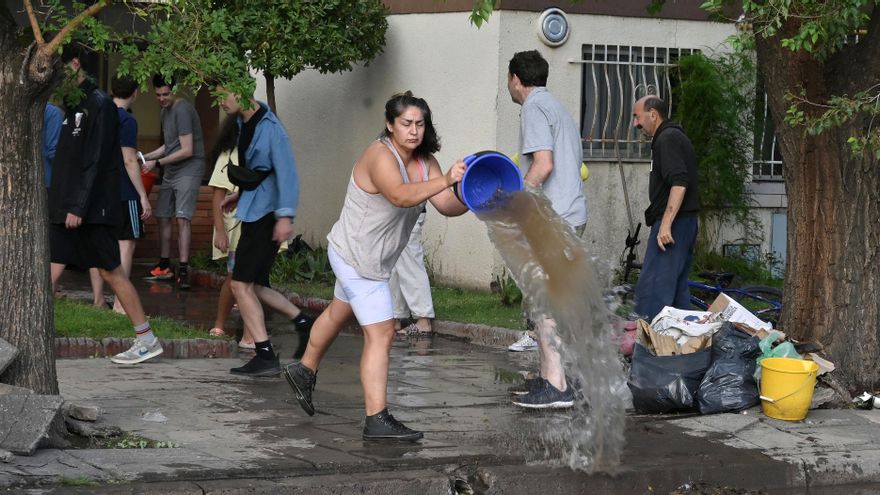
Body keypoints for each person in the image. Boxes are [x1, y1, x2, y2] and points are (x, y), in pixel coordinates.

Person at [283, 92, 467, 442]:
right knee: (382, 332)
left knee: (339, 312)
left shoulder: (425, 161)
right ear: (390, 125)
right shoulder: (379, 155)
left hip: (371, 258)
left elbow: (445, 204)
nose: (414, 131)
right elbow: (400, 195)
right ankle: (376, 419)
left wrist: (472, 194)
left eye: (420, 124)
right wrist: (447, 179)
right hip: (356, 257)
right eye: (406, 124)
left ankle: (303, 369)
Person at [48, 46, 162, 365]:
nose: (50, 76)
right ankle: (27, 334)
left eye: (54, 68)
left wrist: (78, 207)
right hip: (67, 207)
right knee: (49, 268)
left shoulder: (100, 105)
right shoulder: (71, 105)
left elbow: (96, 161)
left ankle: (146, 338)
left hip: (90, 211)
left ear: (73, 64)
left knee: (111, 272)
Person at [505, 50, 587, 409]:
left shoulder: (533, 107)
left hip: (555, 218)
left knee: (545, 303)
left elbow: (544, 164)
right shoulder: (556, 106)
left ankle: (556, 386)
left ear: (515, 80)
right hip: (569, 214)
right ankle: (546, 377)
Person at [215, 83, 314, 375]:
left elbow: (287, 174)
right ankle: (302, 321)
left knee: (239, 284)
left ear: (243, 92)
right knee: (254, 284)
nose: (220, 102)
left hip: (267, 214)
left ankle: (266, 355)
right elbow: (260, 171)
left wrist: (285, 217)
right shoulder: (242, 122)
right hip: (256, 207)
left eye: (224, 95)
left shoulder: (271, 129)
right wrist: (239, 195)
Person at [632, 95, 700, 321]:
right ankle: (688, 347)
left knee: (653, 290)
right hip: (684, 223)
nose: (635, 124)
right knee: (678, 294)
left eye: (637, 117)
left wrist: (666, 225)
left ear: (653, 114)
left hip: (674, 224)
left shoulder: (667, 138)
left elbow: (679, 182)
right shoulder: (671, 136)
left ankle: (649, 350)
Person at [91, 76, 153, 314]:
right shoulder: (126, 120)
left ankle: (97, 300)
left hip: (98, 189)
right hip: (123, 190)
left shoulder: (99, 115)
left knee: (97, 244)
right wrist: (143, 196)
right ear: (135, 93)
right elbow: (128, 159)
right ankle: (119, 302)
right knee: (125, 244)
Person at [141, 74, 205, 289]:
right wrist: (145, 157)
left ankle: (184, 268)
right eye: (158, 94)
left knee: (182, 218)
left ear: (175, 90)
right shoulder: (164, 112)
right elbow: (169, 146)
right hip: (170, 168)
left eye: (166, 94)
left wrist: (156, 164)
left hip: (189, 167)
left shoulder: (183, 109)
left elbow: (187, 150)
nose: (162, 98)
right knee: (162, 216)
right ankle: (165, 264)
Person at [390, 209, 435, 336]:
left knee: (410, 264)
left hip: (407, 211)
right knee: (394, 265)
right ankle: (396, 316)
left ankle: (423, 319)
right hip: (398, 211)